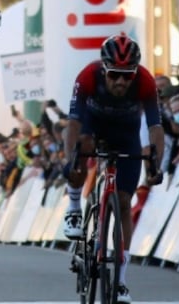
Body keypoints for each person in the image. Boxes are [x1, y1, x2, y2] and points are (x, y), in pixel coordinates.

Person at [61, 33, 164, 304]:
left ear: (135, 73)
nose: (120, 81)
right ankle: (74, 207)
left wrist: (155, 165)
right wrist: (71, 161)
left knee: (124, 202)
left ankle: (121, 282)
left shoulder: (145, 81)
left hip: (126, 134)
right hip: (91, 125)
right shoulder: (88, 76)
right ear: (104, 69)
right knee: (81, 147)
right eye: (115, 75)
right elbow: (72, 124)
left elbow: (155, 128)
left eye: (127, 76)